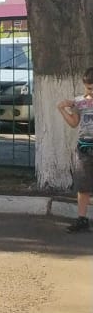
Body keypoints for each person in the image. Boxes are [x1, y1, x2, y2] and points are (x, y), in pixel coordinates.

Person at [57, 67, 93, 233]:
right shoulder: (79, 102)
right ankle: (82, 219)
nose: (90, 92)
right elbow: (74, 123)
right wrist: (62, 109)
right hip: (84, 148)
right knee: (83, 186)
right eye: (88, 88)